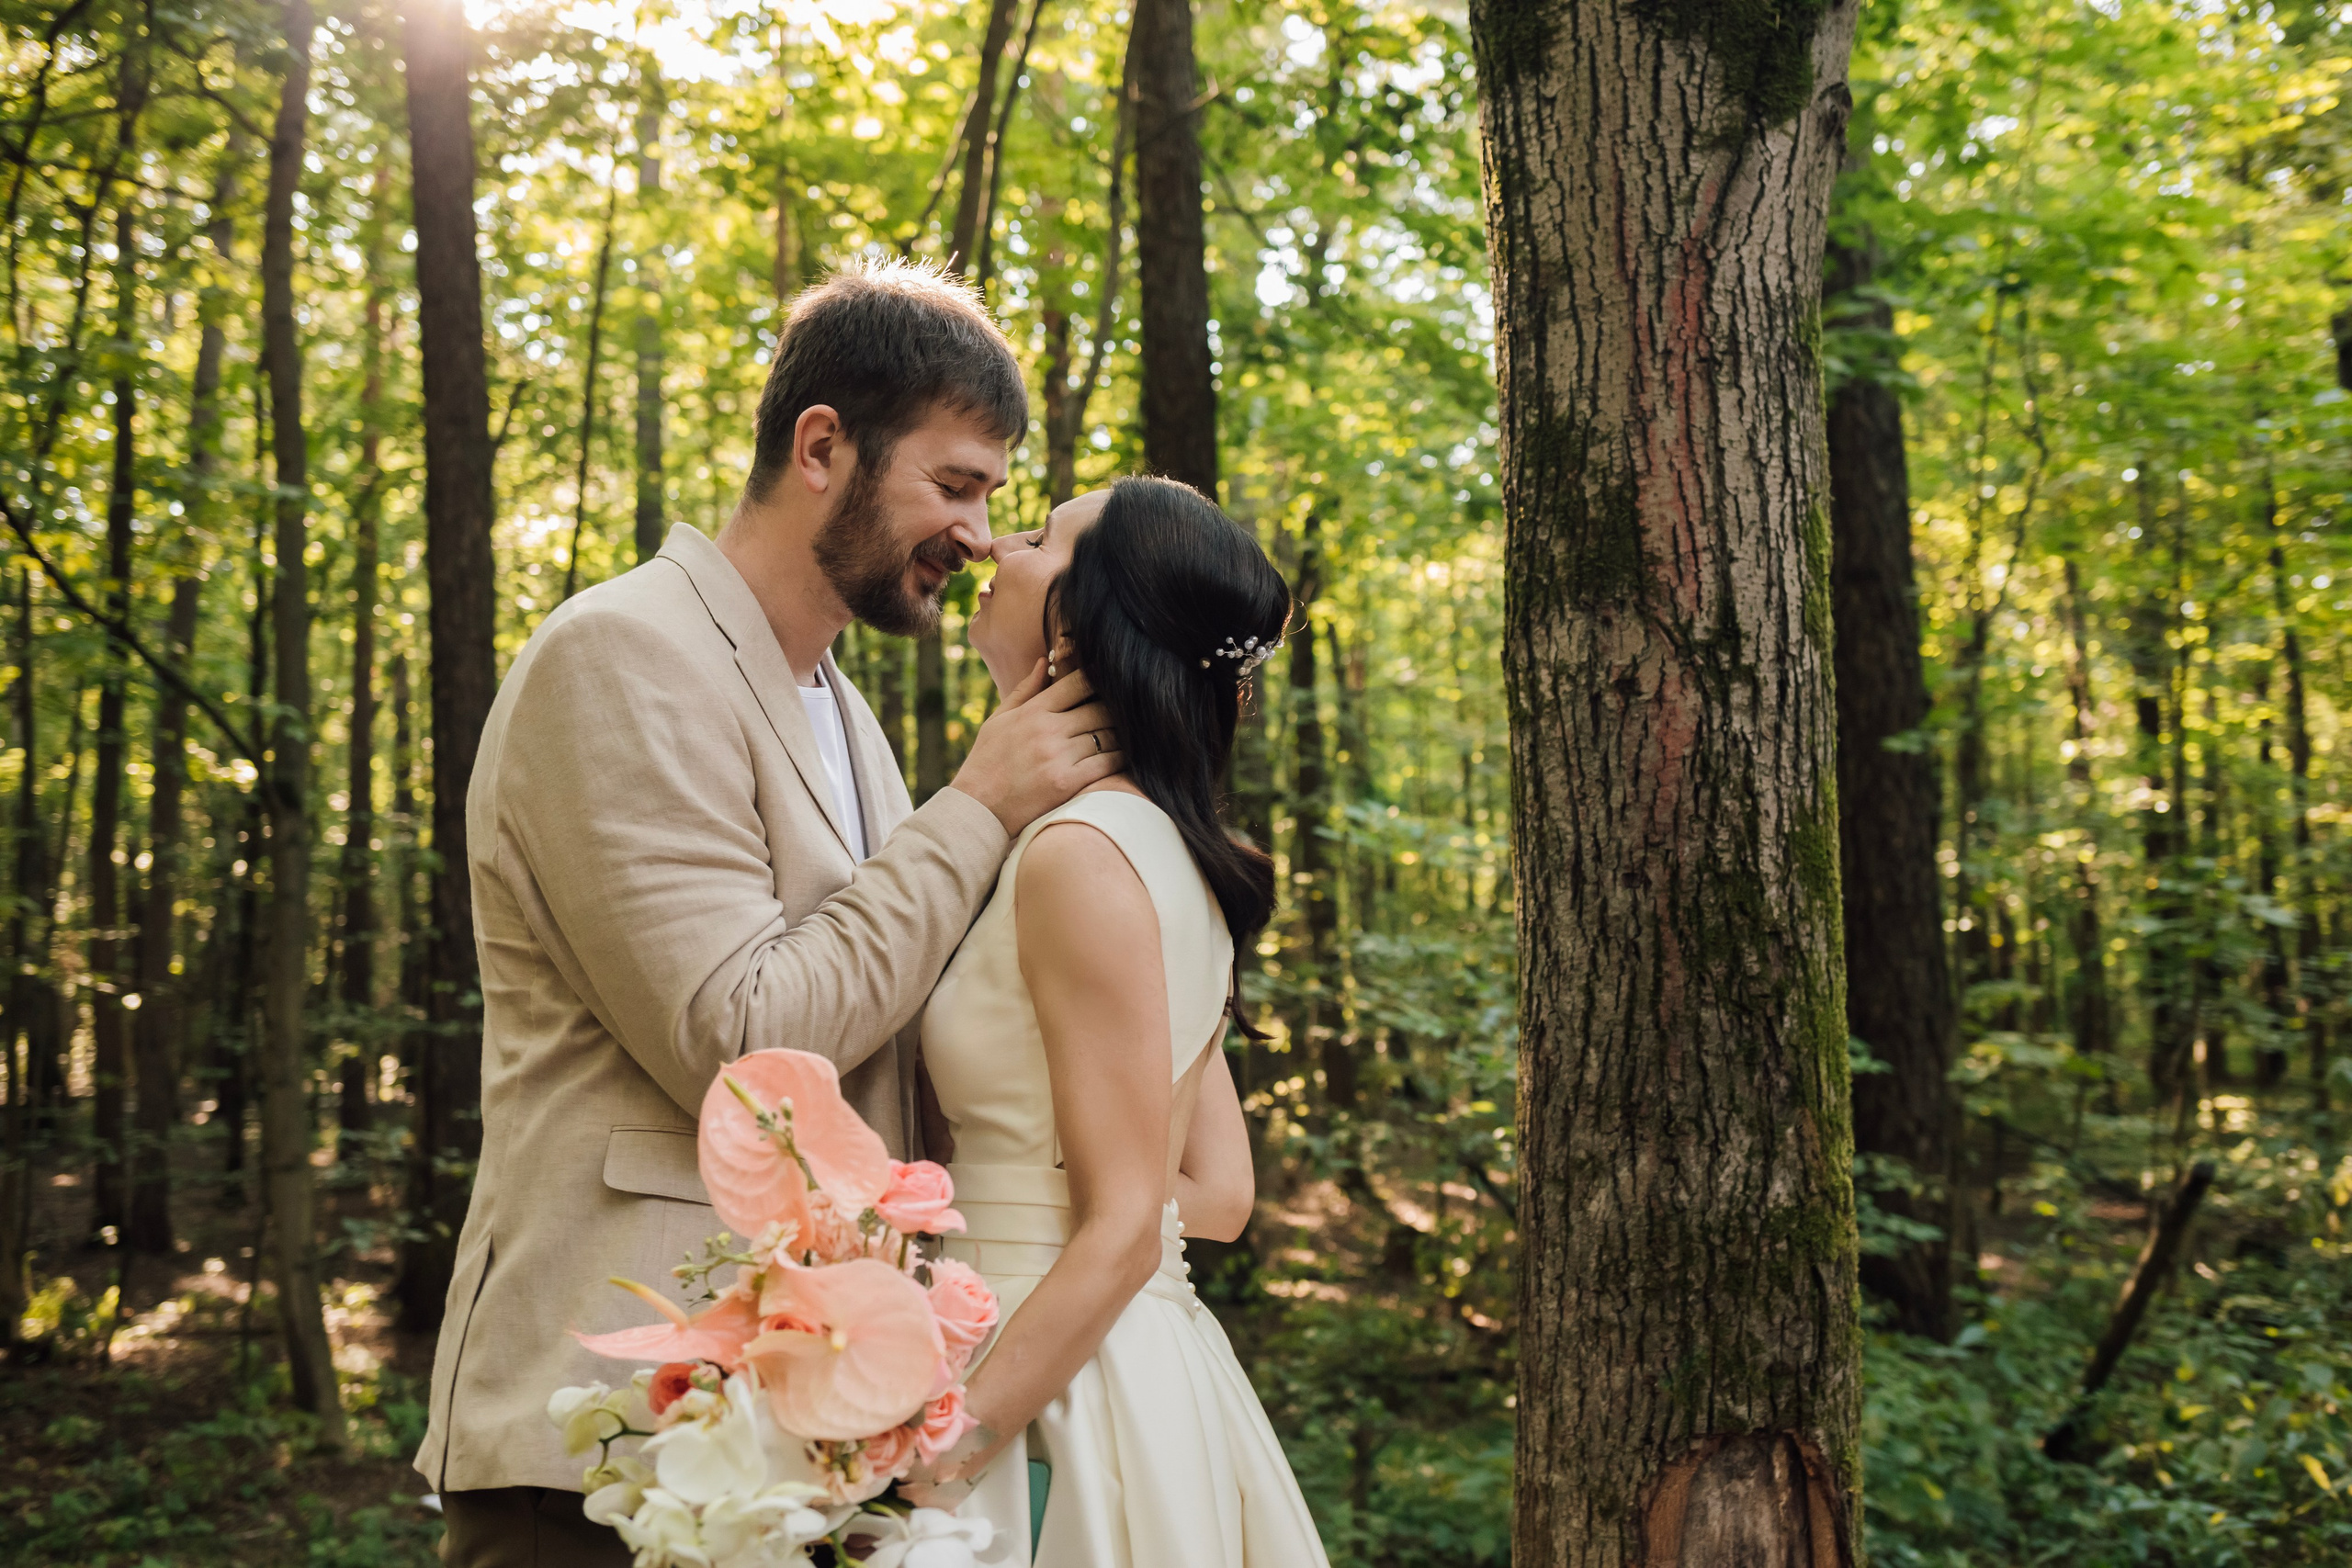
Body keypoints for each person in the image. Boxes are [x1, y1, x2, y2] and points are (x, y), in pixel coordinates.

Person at [413, 260, 1122, 1567]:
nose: (975, 534)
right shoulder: (619, 654)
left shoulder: (844, 713)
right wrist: (978, 805)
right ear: (821, 446)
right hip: (611, 1445)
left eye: (991, 499)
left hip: (807, 1447)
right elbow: (743, 1041)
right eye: (954, 483)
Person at [907, 477, 1331, 1566]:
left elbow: (1127, 1222)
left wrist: (933, 1460)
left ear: (1087, 626)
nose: (1000, 542)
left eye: (1043, 536)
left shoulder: (1079, 857)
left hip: (1041, 1388)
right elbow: (1219, 1196)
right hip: (1133, 1365)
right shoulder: (1156, 851)